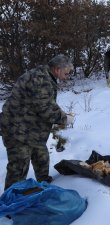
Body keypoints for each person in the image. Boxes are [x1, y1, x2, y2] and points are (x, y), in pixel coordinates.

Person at [0, 54, 75, 190]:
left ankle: (44, 186)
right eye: (67, 72)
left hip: (30, 128)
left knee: (41, 156)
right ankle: (11, 202)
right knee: (19, 165)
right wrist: (64, 118)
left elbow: (45, 103)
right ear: (57, 69)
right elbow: (45, 108)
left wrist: (61, 114)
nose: (68, 75)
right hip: (16, 128)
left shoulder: (46, 77)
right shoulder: (40, 79)